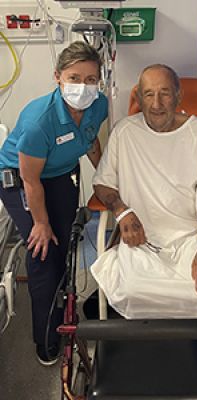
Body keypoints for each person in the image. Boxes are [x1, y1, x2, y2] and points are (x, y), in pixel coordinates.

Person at [90, 64, 197, 319]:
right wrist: (122, 212)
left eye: (165, 93)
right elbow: (103, 183)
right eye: (148, 94)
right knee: (132, 289)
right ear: (139, 99)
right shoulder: (124, 131)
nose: (156, 103)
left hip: (193, 234)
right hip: (144, 235)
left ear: (178, 96)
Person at [0, 41, 108, 365]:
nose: (83, 87)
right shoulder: (39, 121)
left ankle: (65, 310)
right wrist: (41, 223)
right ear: (57, 76)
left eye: (91, 79)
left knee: (66, 244)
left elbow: (90, 139)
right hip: (21, 177)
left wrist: (102, 178)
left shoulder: (98, 104)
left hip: (61, 172)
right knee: (44, 251)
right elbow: (31, 180)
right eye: (74, 78)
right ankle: (46, 338)